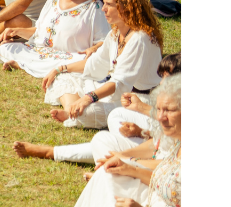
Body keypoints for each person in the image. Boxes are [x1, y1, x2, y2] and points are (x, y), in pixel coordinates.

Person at [67, 74, 182, 207]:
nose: (160, 117)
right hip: (155, 204)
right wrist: (129, 168)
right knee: (107, 175)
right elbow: (167, 181)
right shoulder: (177, 142)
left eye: (169, 111)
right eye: (159, 109)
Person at [14, 51, 179, 164]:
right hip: (155, 144)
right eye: (162, 77)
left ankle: (51, 152)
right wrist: (141, 130)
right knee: (115, 117)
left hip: (162, 161)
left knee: (103, 140)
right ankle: (119, 154)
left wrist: (128, 155)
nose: (162, 82)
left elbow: (167, 142)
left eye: (167, 77)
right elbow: (164, 136)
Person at [40, 0, 165, 128]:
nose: (104, 9)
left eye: (109, 5)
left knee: (90, 112)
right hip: (114, 90)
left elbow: (120, 82)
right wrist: (59, 69)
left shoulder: (140, 38)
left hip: (137, 99)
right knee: (62, 78)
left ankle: (75, 113)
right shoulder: (115, 33)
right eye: (104, 3)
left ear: (126, 8)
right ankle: (71, 110)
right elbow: (95, 63)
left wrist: (88, 98)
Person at [0, 0, 110, 75]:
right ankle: (31, 65)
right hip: (42, 52)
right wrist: (16, 31)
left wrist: (93, 49)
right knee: (6, 48)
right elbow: (39, 32)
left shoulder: (94, 7)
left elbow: (105, 41)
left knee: (86, 60)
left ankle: (24, 64)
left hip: (71, 57)